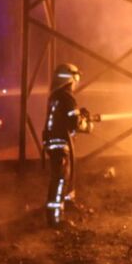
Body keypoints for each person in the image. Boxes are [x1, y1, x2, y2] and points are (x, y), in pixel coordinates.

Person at [41, 63, 93, 227]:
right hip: (61, 143)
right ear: (71, 78)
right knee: (60, 179)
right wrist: (87, 125)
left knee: (65, 177)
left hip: (54, 142)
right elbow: (74, 123)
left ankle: (66, 204)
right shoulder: (67, 97)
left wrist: (81, 115)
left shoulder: (56, 97)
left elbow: (67, 118)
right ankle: (55, 219)